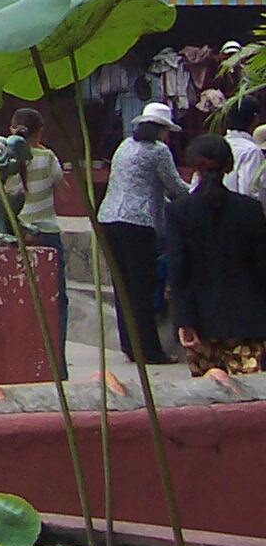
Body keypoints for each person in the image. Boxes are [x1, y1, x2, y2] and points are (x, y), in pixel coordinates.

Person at [97, 100, 189, 365]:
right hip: (137, 223)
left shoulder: (124, 147)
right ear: (162, 130)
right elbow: (174, 187)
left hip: (109, 218)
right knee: (142, 289)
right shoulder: (159, 152)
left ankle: (130, 345)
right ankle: (149, 350)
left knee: (122, 286)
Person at [169, 134, 266, 378]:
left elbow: (178, 270)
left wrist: (184, 319)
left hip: (201, 321)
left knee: (209, 398)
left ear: (194, 167)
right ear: (229, 167)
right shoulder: (251, 210)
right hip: (248, 320)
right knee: (251, 399)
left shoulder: (179, 211)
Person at [9, 107, 68, 364]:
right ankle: (57, 361)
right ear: (40, 132)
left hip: (17, 234)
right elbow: (63, 191)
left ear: (12, 130)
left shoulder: (4, 159)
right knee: (56, 300)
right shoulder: (48, 157)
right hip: (47, 232)